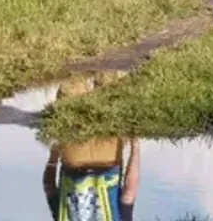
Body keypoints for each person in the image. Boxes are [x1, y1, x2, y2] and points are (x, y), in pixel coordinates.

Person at [43, 76, 141, 221]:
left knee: (113, 86)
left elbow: (129, 193)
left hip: (108, 157)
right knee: (74, 78)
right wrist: (56, 149)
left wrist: (136, 145)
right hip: (74, 156)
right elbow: (49, 186)